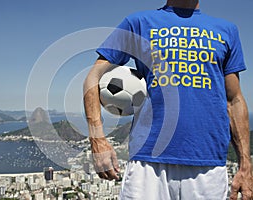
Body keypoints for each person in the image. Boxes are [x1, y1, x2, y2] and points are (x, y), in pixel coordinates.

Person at [83, 0, 252, 199]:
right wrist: (97, 139)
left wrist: (245, 164)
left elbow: (234, 101)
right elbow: (93, 78)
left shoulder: (227, 31)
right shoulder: (138, 23)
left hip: (208, 164)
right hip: (147, 163)